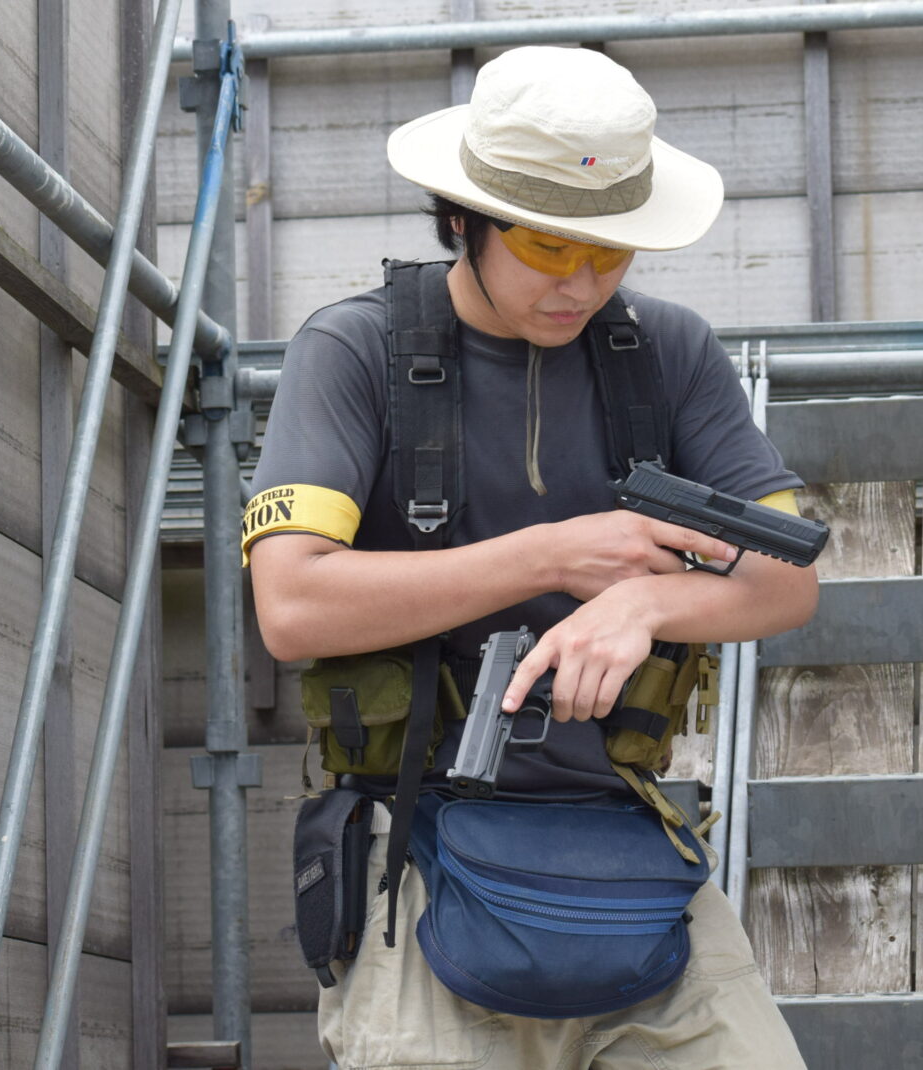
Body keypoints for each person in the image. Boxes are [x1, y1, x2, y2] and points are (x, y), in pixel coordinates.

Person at [245, 45, 816, 1070]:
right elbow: (290, 605)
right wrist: (552, 556)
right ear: (462, 216)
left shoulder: (672, 353)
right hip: (417, 853)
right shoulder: (352, 352)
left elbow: (787, 578)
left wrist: (644, 603)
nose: (582, 283)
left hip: (629, 846)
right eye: (550, 246)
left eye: (612, 251)